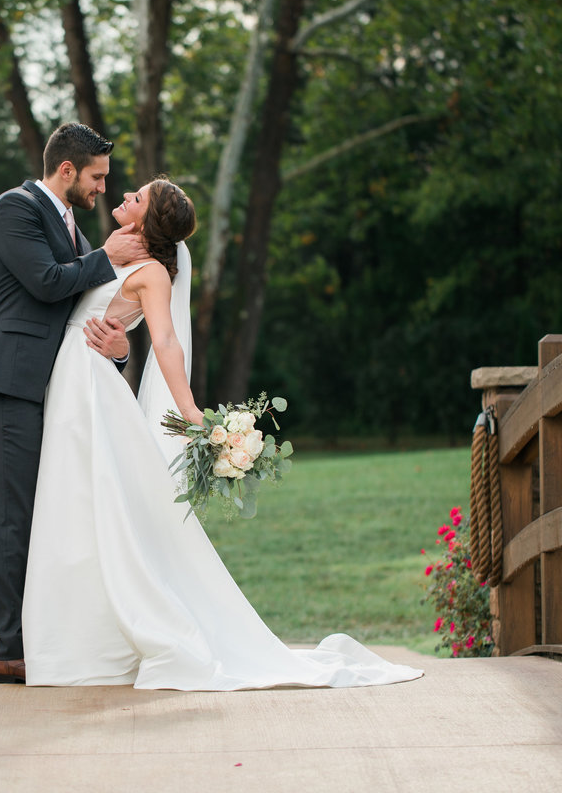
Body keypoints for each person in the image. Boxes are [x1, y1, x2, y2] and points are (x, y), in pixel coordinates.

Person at [22, 178, 423, 690]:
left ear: (148, 222)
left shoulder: (151, 274)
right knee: (75, 506)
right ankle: (75, 638)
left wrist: (190, 409)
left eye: (137, 198)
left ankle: (95, 643)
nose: (124, 196)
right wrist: (117, 337)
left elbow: (165, 340)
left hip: (90, 389)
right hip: (72, 379)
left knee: (94, 503)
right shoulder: (107, 253)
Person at [0, 123, 151, 684]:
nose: (102, 190)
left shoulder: (73, 229)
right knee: (11, 517)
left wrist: (116, 352)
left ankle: (44, 637)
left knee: (48, 517)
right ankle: (10, 650)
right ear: (66, 170)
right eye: (96, 178)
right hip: (6, 383)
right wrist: (109, 255)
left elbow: (82, 311)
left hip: (49, 389)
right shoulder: (14, 208)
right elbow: (47, 283)